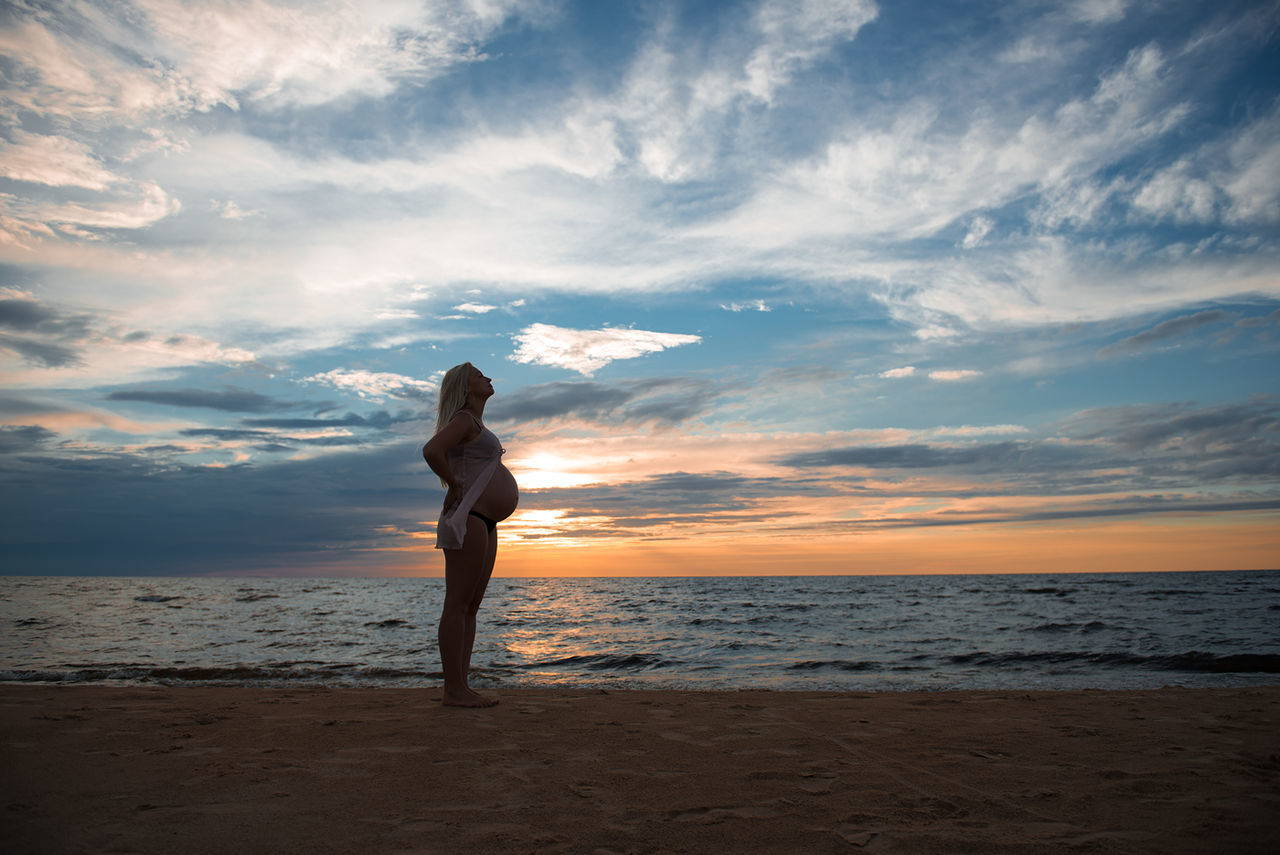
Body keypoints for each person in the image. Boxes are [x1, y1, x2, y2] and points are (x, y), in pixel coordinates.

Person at [422, 363, 519, 707]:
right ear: (465, 387)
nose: (488, 378)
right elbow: (432, 450)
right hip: (469, 517)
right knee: (458, 603)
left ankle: (461, 686)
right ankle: (453, 689)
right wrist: (453, 482)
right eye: (479, 375)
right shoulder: (464, 419)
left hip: (485, 520)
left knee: (471, 607)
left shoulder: (475, 423)